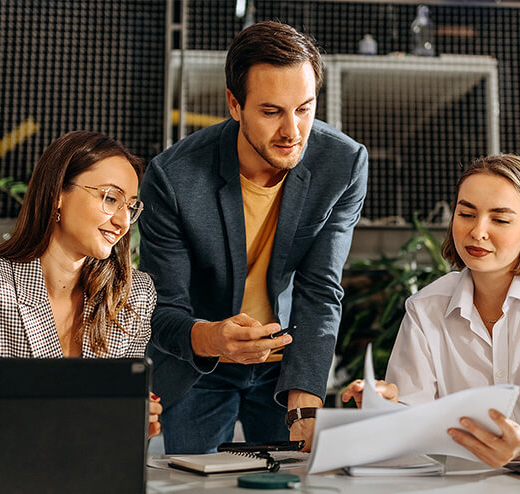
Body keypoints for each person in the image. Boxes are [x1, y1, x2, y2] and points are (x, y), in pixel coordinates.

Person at [139, 21, 368, 453]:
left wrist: (304, 402)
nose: (292, 132)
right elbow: (164, 309)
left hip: (287, 365)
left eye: (304, 108)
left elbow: (320, 290)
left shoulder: (344, 164)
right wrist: (212, 338)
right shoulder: (173, 178)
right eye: (271, 111)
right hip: (200, 364)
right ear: (234, 104)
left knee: (294, 491)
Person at [342, 154, 520, 467]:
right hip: (463, 485)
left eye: (499, 219)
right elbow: (413, 424)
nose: (478, 232)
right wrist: (388, 407)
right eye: (466, 214)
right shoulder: (426, 308)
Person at [0, 130, 162, 438]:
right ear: (58, 192)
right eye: (110, 198)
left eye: (130, 206)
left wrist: (135, 418)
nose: (122, 221)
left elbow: (119, 427)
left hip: (95, 476)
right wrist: (103, 412)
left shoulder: (134, 294)